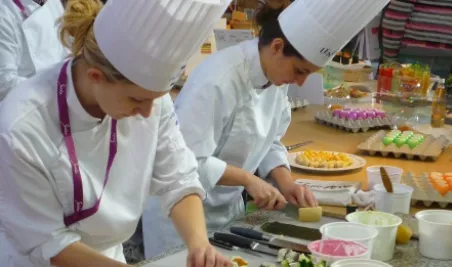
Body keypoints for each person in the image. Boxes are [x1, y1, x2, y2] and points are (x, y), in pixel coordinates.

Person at [142, 0, 389, 258]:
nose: (301, 82)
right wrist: (248, 179)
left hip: (226, 210)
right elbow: (185, 163)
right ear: (277, 47)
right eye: (300, 71)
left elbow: (271, 140)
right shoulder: (218, 79)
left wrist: (286, 182)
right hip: (178, 218)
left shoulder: (275, 76)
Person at [0, 0, 233, 266]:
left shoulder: (151, 99)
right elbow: (48, 242)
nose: (147, 113)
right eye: (136, 100)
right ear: (96, 76)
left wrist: (199, 244)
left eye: (155, 100)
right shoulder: (21, 125)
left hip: (109, 257)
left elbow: (178, 178)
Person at [0, 0, 69, 100]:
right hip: (22, 106)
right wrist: (53, 88)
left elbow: (65, 50)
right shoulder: (4, 13)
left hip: (57, 97)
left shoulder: (53, 3)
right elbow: (4, 83)